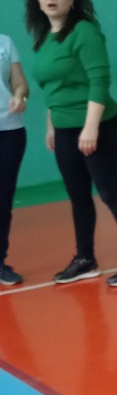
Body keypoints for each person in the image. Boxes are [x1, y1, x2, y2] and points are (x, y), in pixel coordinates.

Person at [25, 0, 117, 288]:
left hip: (98, 123)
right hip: (64, 127)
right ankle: (85, 259)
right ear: (37, 0)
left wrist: (90, 127)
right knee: (78, 196)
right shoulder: (44, 39)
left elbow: (99, 80)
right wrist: (51, 125)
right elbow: (54, 88)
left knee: (110, 192)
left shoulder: (84, 31)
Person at [0, 30, 30, 286]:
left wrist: (20, 96)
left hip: (9, 131)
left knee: (2, 200)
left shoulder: (5, 42)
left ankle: (0, 262)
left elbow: (21, 84)